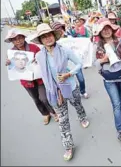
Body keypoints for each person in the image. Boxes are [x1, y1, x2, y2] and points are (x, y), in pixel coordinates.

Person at [31, 23, 90, 161]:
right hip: (54, 92)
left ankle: (82, 117)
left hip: (70, 86)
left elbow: (79, 63)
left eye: (49, 35)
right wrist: (11, 63)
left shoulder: (65, 50)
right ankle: (68, 146)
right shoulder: (39, 56)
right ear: (40, 41)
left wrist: (69, 74)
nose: (47, 39)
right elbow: (26, 67)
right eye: (43, 37)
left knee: (77, 105)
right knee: (63, 120)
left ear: (54, 36)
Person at [4, 28, 58, 125]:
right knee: (36, 99)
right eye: (15, 39)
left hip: (39, 78)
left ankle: (53, 112)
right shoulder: (11, 53)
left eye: (20, 38)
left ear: (24, 38)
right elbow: (12, 66)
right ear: (12, 41)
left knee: (44, 98)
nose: (18, 41)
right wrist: (8, 63)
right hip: (26, 81)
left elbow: (43, 59)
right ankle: (45, 114)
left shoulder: (34, 47)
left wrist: (38, 60)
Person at [50, 22, 90, 99]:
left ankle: (83, 91)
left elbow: (78, 44)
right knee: (67, 81)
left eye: (60, 28)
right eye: (56, 29)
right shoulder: (53, 43)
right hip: (63, 65)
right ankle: (69, 95)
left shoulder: (69, 37)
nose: (59, 31)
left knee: (81, 79)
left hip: (74, 63)